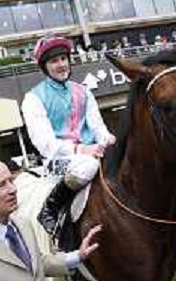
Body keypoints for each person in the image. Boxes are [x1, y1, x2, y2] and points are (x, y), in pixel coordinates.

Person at [21, 35, 116, 237]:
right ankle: (50, 209)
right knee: (87, 165)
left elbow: (98, 127)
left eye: (63, 59)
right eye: (54, 61)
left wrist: (107, 139)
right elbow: (45, 144)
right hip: (58, 161)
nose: (61, 64)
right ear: (44, 67)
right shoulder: (33, 98)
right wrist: (80, 149)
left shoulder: (84, 92)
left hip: (91, 152)